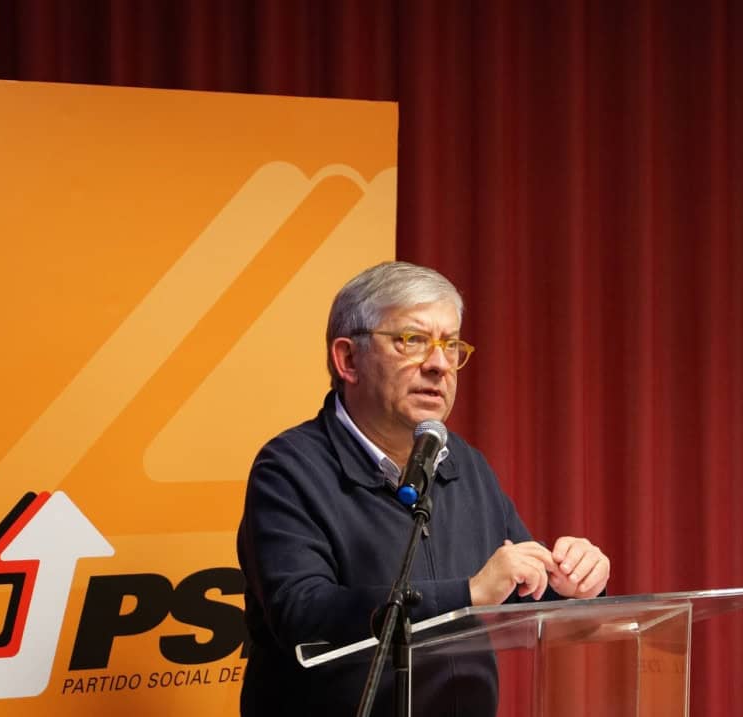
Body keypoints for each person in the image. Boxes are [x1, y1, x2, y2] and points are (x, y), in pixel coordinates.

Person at [237, 261, 610, 716]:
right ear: (348, 359)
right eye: (412, 340)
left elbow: (523, 590)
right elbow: (302, 612)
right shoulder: (290, 468)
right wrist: (468, 594)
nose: (439, 364)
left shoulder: (465, 464)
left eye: (450, 345)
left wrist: (576, 584)